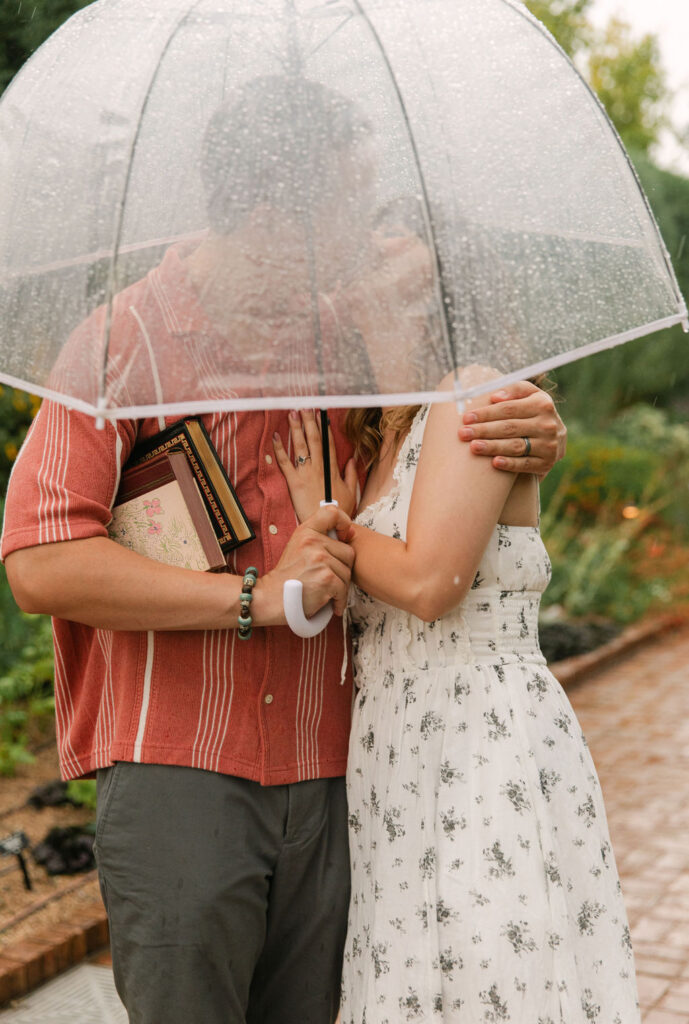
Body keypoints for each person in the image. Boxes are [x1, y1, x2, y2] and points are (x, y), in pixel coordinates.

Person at [1, 77, 567, 1024]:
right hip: (182, 772)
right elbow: (39, 562)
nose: (369, 227)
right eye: (352, 202)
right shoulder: (120, 346)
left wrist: (529, 431)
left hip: (345, 774)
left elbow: (434, 469)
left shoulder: (350, 337)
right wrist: (252, 598)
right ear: (275, 210)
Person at [275, 384, 640, 1024]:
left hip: (477, 737)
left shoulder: (474, 391)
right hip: (392, 751)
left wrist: (328, 519)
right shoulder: (373, 433)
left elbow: (428, 582)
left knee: (490, 972)